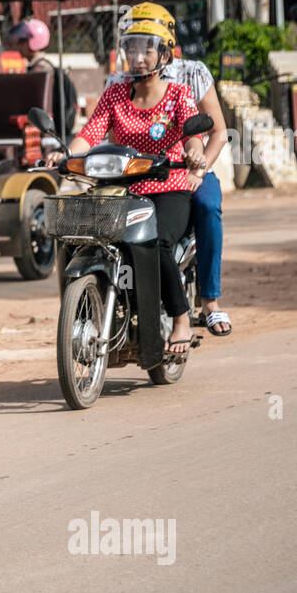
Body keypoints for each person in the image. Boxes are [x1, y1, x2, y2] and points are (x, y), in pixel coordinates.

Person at [50, 19, 206, 358]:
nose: (139, 57)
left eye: (147, 49)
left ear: (164, 54)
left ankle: (180, 318)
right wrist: (64, 154)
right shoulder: (115, 94)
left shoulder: (179, 94)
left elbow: (193, 135)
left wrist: (194, 151)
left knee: (157, 241)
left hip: (168, 189)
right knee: (76, 236)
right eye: (132, 49)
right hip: (121, 191)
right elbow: (89, 134)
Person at [108, 2, 233, 337]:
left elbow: (218, 130)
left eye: (146, 42)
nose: (138, 51)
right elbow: (104, 133)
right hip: (134, 174)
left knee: (207, 206)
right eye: (132, 42)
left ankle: (210, 302)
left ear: (165, 42)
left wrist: (198, 168)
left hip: (186, 168)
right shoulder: (120, 80)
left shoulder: (192, 73)